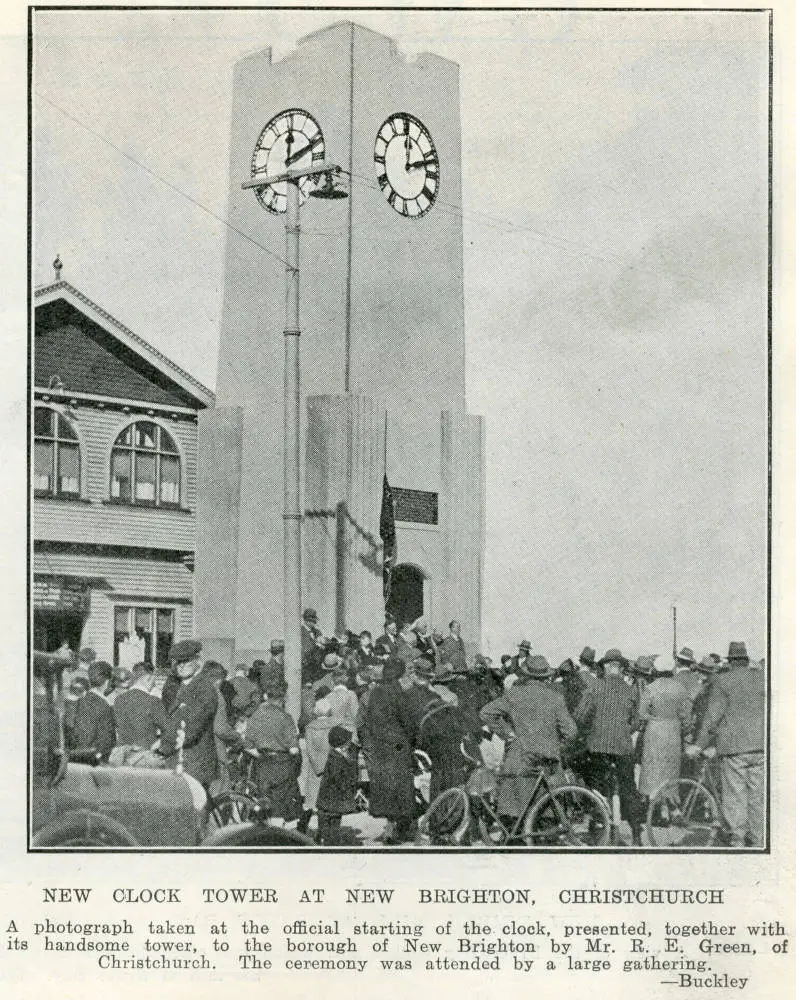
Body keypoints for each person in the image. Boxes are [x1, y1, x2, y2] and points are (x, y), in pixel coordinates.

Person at [479, 655, 577, 829]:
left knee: (512, 819)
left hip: (519, 759)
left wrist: (508, 734)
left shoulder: (514, 695)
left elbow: (486, 713)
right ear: (546, 676)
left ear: (525, 674)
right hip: (548, 763)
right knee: (547, 817)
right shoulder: (556, 698)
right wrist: (558, 747)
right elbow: (570, 732)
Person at [686, 641, 765, 847]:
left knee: (735, 795)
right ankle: (758, 840)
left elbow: (713, 716)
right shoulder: (761, 678)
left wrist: (699, 745)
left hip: (734, 749)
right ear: (746, 660)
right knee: (757, 796)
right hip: (760, 746)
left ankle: (737, 840)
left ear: (730, 661)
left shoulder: (723, 681)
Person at [573, 648, 643, 845]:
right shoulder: (631, 691)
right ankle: (637, 834)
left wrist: (594, 728)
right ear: (621, 668)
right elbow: (637, 722)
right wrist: (622, 731)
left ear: (605, 666)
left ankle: (598, 826)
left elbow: (580, 716)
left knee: (596, 787)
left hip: (598, 747)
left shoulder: (595, 688)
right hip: (623, 747)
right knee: (629, 789)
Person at [360, 659, 419, 844]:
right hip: (398, 747)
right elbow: (408, 722)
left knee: (385, 787)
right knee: (401, 789)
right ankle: (400, 828)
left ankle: (390, 824)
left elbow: (368, 721)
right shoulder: (399, 693)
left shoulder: (375, 693)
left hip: (380, 747)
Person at [163, 639, 219, 790]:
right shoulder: (180, 687)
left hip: (195, 762)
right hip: (181, 760)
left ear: (198, 661)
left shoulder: (204, 688)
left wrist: (164, 745)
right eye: (177, 662)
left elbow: (192, 727)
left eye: (186, 661)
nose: (180, 666)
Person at [245, 678, 302, 823]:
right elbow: (294, 750)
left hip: (263, 766)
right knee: (283, 806)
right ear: (283, 699)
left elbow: (248, 746)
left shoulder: (255, 717)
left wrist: (261, 755)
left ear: (265, 696)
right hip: (283, 764)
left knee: (265, 805)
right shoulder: (285, 718)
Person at [637, 654, 690, 805]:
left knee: (652, 769)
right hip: (673, 731)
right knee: (670, 770)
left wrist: (653, 718)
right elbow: (685, 715)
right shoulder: (680, 688)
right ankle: (669, 804)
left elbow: (641, 713)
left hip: (654, 731)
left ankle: (652, 806)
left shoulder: (651, 688)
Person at [111, 661, 170, 766]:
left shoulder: (118, 700)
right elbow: (168, 730)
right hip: (144, 758)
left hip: (122, 758)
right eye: (154, 680)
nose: (155, 684)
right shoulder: (153, 701)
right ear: (149, 678)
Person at [298, 691, 334, 836]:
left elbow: (311, 751)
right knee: (327, 804)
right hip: (332, 767)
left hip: (315, 768)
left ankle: (302, 827)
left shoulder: (310, 728)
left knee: (311, 802)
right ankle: (323, 834)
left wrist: (318, 767)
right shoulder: (336, 724)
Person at [316, 726, 360, 846]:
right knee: (330, 821)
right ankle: (328, 841)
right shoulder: (336, 759)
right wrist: (347, 789)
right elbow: (338, 779)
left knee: (332, 819)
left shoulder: (337, 756)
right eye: (347, 743)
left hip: (330, 799)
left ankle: (328, 840)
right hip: (332, 797)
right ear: (343, 745)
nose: (350, 745)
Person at [69, 660, 116, 764]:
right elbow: (107, 739)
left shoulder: (79, 702)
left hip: (76, 757)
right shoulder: (105, 706)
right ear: (107, 681)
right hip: (95, 760)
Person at [325, 665, 359, 733]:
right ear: (346, 679)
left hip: (332, 734)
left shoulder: (328, 697)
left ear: (333, 681)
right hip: (349, 733)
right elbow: (355, 715)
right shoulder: (351, 695)